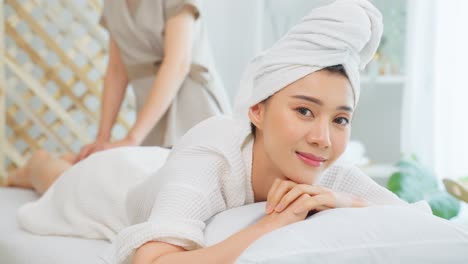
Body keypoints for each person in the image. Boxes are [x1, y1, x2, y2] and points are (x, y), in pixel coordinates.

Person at [15, 1, 412, 263]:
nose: (323, 138)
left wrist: (345, 200)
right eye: (304, 110)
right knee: (56, 177)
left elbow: (411, 216)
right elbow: (153, 261)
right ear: (256, 109)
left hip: (161, 166)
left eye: (340, 119)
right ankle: (40, 163)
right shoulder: (213, 156)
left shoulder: (327, 170)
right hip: (109, 185)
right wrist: (270, 225)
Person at [3, 0, 230, 192]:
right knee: (121, 183)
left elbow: (178, 63)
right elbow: (116, 71)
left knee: (170, 187)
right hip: (153, 123)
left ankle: (36, 167)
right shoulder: (115, 4)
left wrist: (132, 138)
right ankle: (39, 168)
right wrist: (103, 137)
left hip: (195, 112)